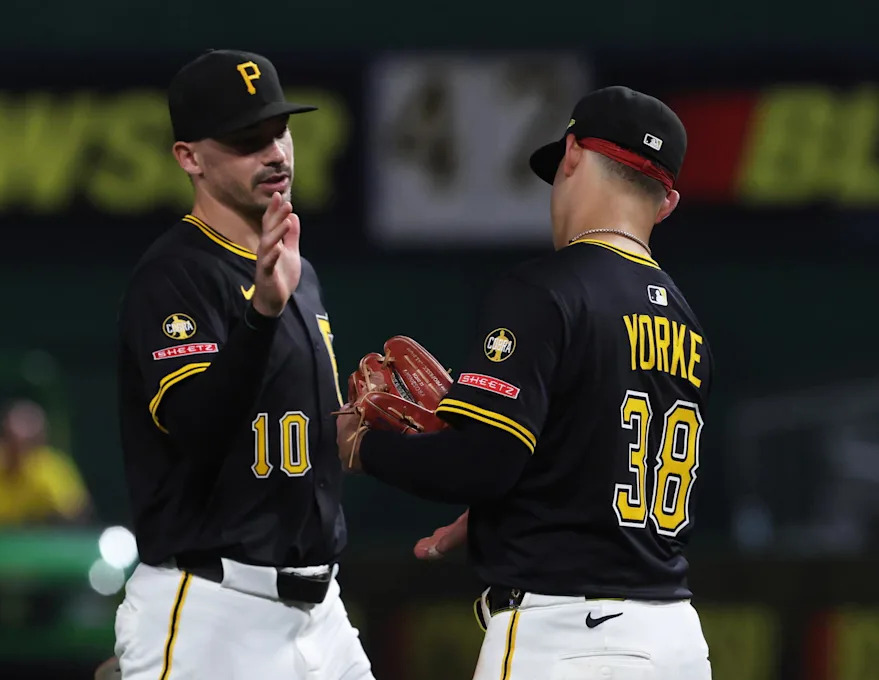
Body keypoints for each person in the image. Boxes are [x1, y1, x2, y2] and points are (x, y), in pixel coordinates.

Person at [337, 86, 714, 679]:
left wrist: (362, 447)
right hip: (676, 639)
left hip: (566, 639)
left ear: (570, 154)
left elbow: (481, 463)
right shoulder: (687, 322)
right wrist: (511, 512)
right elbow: (597, 462)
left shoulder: (546, 290)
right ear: (665, 202)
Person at [113, 50, 373, 680]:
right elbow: (197, 430)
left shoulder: (296, 271)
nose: (276, 153)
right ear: (189, 157)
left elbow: (292, 441)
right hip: (212, 608)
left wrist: (366, 431)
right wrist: (260, 314)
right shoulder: (175, 275)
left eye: (279, 131)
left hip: (322, 613)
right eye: (245, 140)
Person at [0, 399, 91, 528]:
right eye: (11, 440)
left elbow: (75, 517)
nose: (19, 451)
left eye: (28, 443)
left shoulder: (54, 471)